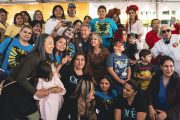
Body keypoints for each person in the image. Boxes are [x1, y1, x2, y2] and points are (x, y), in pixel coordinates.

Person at [0, 33, 54, 119]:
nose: (53, 46)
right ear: (42, 44)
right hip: (12, 92)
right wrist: (36, 91)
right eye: (50, 43)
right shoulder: (35, 57)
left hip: (20, 92)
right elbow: (21, 78)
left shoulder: (41, 57)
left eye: (53, 43)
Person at [147, 55, 180, 120]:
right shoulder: (156, 78)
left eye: (171, 66)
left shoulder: (177, 81)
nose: (169, 69)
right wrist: (150, 106)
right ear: (161, 67)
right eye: (166, 66)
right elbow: (149, 92)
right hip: (155, 112)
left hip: (172, 114)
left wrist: (166, 113)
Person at [58, 53, 88, 120]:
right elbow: (54, 76)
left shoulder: (86, 77)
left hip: (77, 108)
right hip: (64, 105)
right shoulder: (67, 70)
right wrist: (61, 64)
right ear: (73, 61)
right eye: (77, 59)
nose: (80, 62)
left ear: (85, 62)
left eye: (82, 60)